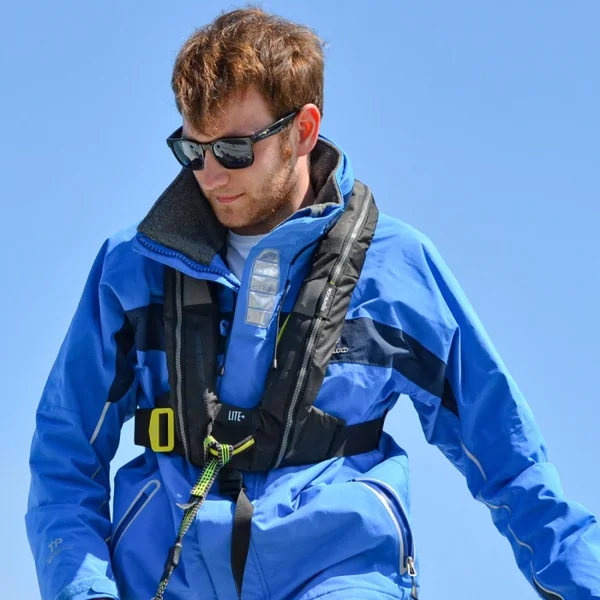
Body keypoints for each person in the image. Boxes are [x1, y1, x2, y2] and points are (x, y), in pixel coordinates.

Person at [26, 7, 600, 600]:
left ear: (303, 130)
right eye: (193, 151)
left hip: (342, 574)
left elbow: (510, 458)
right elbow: (64, 458)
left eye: (235, 150)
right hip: (167, 576)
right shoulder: (130, 269)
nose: (211, 176)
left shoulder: (398, 270)